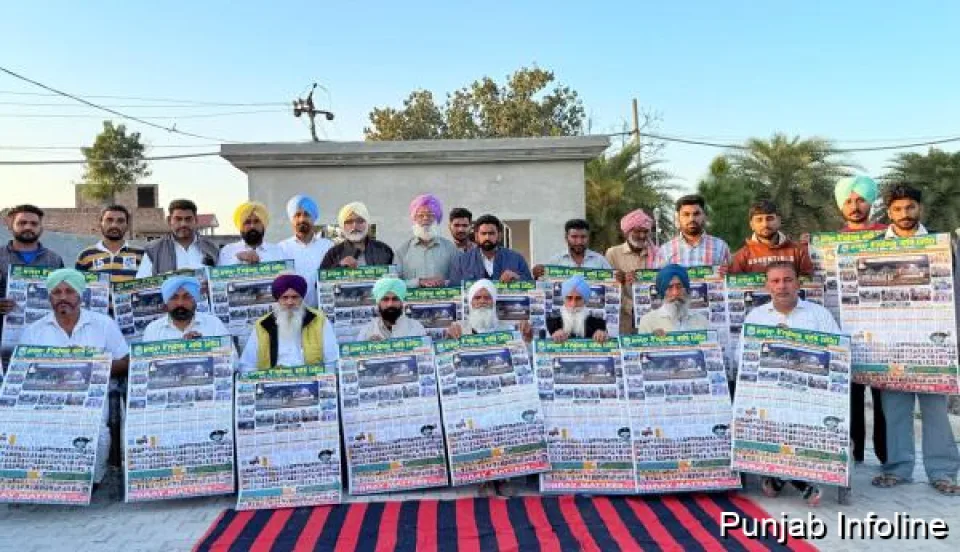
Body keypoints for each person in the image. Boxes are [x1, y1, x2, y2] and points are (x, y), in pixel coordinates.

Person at [871, 184, 959, 496]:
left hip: (934, 343)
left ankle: (943, 472)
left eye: (910, 207)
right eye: (897, 209)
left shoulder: (941, 243)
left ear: (919, 208)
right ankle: (898, 468)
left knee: (936, 411)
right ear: (889, 212)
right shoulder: (874, 247)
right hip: (892, 343)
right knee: (894, 409)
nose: (904, 214)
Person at [740, 261, 842, 507]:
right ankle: (795, 480)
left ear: (798, 283)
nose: (782, 286)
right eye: (775, 281)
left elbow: (839, 354)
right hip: (769, 392)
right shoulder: (756, 317)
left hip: (811, 392)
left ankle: (780, 476)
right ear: (767, 286)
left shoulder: (819, 315)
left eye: (787, 280)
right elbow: (742, 357)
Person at [19, 268, 129, 484]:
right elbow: (22, 372)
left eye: (69, 291)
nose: (63, 297)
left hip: (92, 403)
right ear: (50, 297)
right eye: (57, 292)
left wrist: (88, 366)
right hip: (47, 404)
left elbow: (125, 362)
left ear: (80, 295)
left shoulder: (103, 324)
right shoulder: (34, 331)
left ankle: (90, 483)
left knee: (96, 437)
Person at [834, 175, 887, 465]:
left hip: (884, 334)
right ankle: (855, 456)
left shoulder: (887, 235)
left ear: (871, 202)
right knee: (851, 398)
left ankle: (886, 457)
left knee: (884, 400)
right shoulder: (832, 242)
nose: (855, 207)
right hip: (849, 333)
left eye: (860, 200)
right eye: (848, 201)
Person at [239, 273, 339, 372]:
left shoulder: (318, 320)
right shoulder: (263, 325)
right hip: (273, 379)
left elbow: (332, 360)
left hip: (310, 378)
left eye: (295, 297)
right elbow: (248, 365)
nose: (290, 302)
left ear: (302, 298)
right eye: (285, 297)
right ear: (278, 299)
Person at [0, 205, 65, 317]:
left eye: (34, 224)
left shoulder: (55, 259)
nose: (28, 227)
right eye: (22, 223)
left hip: (45, 325)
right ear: (11, 226)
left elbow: (63, 292)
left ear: (41, 229)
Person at [605, 209, 659, 335]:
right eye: (637, 231)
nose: (642, 235)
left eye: (645, 231)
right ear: (627, 232)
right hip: (624, 322)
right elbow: (610, 288)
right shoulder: (613, 254)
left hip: (652, 320)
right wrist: (632, 306)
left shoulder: (656, 253)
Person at [137, 199, 219, 277]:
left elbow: (220, 279)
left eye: (188, 219)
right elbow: (142, 283)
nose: (183, 224)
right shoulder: (154, 250)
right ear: (169, 220)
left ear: (196, 220)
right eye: (178, 219)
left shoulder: (211, 248)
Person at [729, 200, 813, 275]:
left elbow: (808, 283)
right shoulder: (741, 256)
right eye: (759, 220)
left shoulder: (798, 251)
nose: (765, 224)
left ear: (779, 221)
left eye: (770, 218)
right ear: (751, 225)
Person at [278, 194, 333, 308]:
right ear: (291, 219)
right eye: (297, 215)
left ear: (313, 218)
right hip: (292, 312)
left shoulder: (328, 246)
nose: (302, 219)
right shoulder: (281, 248)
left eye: (306, 215)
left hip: (322, 313)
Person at [448, 214, 532, 285]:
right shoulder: (461, 261)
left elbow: (531, 285)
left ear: (499, 236)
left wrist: (517, 277)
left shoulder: (516, 259)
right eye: (483, 233)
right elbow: (454, 290)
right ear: (476, 236)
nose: (487, 237)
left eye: (491, 233)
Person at [142, 276, 231, 342]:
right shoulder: (153, 330)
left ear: (195, 300)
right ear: (166, 301)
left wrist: (203, 347)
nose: (180, 303)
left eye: (187, 297)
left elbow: (231, 359)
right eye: (174, 297)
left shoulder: (214, 325)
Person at [395, 194, 457, 288]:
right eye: (420, 215)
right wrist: (418, 282)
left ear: (437, 219)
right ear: (414, 219)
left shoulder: (450, 248)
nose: (425, 218)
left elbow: (459, 279)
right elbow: (394, 283)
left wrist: (444, 282)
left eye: (430, 215)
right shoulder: (403, 250)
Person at [656, 194, 731, 271]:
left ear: (704, 216)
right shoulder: (665, 250)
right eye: (686, 214)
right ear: (678, 218)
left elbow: (730, 276)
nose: (691, 219)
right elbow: (658, 277)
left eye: (696, 214)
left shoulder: (720, 247)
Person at [75, 205, 145, 283]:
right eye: (109, 220)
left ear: (128, 226)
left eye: (120, 221)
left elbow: (149, 287)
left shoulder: (142, 255)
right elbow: (77, 286)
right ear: (100, 224)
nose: (114, 225)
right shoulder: (85, 255)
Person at [445, 279, 533, 342]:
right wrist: (449, 339)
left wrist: (527, 337)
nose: (482, 301)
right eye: (477, 298)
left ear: (493, 302)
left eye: (487, 298)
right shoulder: (460, 329)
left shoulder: (508, 329)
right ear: (471, 303)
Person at [635, 264, 709, 334]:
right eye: (669, 287)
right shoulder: (648, 322)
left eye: (679, 287)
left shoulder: (701, 321)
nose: (675, 293)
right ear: (662, 292)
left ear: (686, 289)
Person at [320, 202, 394, 268]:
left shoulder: (384, 250)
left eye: (360, 221)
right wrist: (339, 266)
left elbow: (395, 276)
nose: (355, 226)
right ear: (342, 226)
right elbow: (321, 278)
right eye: (349, 222)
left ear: (367, 224)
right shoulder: (334, 254)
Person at [532, 219, 612, 279]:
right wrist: (537, 276)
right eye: (574, 237)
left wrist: (618, 279)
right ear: (566, 237)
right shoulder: (556, 261)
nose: (579, 241)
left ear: (588, 238)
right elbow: (544, 287)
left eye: (583, 237)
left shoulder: (600, 261)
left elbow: (612, 284)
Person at [356, 277, 426, 341]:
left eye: (395, 299)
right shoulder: (367, 331)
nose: (390, 304)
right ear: (378, 303)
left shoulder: (416, 328)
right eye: (385, 299)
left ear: (401, 302)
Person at [218, 201, 285, 266]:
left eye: (256, 221)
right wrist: (238, 259)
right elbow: (220, 273)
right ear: (240, 226)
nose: (252, 226)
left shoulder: (277, 251)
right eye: (247, 222)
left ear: (263, 225)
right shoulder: (227, 251)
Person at [545, 275, 608, 343]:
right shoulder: (552, 322)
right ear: (564, 299)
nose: (573, 305)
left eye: (578, 299)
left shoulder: (598, 324)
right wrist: (555, 335)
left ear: (585, 301)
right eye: (569, 298)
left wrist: (602, 335)